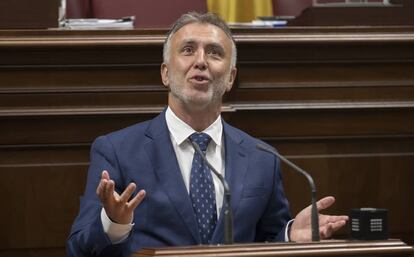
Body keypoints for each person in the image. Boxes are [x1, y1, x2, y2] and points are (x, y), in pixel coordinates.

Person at [67, 12, 348, 257]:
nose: (201, 61)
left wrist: (289, 237)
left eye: (214, 52)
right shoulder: (117, 150)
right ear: (165, 73)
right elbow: (78, 250)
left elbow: (267, 241)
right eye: (188, 50)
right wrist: (113, 224)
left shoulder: (262, 157)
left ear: (230, 78)